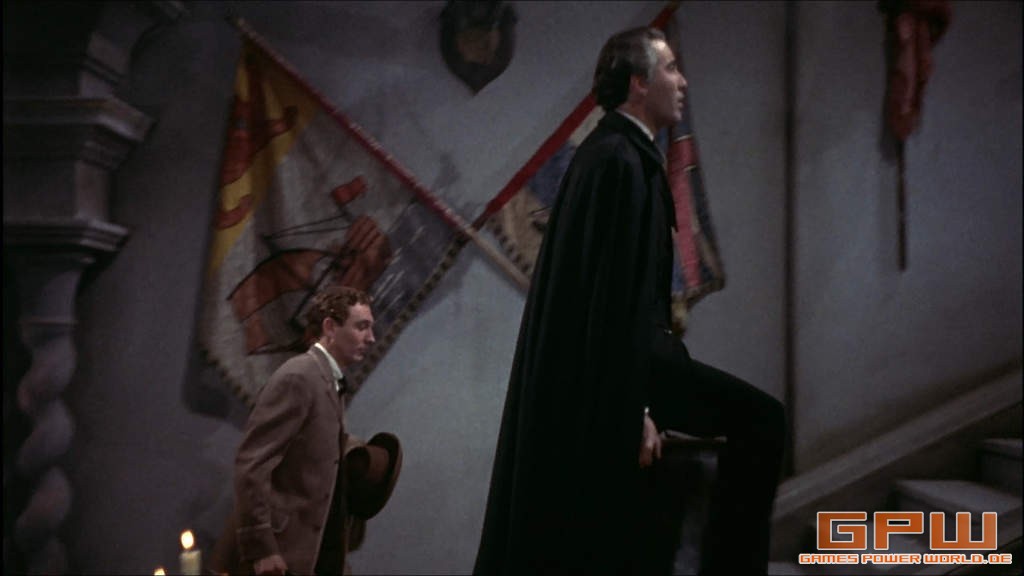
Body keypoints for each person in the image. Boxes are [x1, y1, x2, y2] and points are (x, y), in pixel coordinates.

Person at [473, 27, 785, 575]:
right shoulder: (618, 161)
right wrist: (633, 406)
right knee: (763, 420)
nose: (682, 81)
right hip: (625, 369)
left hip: (629, 364)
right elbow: (611, 303)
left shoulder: (615, 155)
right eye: (670, 69)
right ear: (639, 83)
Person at [230, 285, 376, 576]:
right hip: (285, 553)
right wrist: (263, 548)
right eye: (362, 327)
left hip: (314, 552)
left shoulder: (328, 380)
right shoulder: (299, 377)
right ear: (330, 327)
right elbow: (252, 465)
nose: (371, 338)